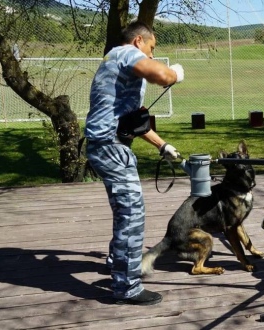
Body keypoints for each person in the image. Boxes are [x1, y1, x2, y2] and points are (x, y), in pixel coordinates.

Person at [84, 21, 184, 306]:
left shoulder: (115, 62)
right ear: (139, 40)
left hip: (105, 146)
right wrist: (174, 73)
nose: (151, 56)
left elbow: (132, 123)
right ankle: (127, 286)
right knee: (132, 215)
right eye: (151, 49)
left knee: (123, 211)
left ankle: (117, 262)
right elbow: (162, 76)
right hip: (111, 148)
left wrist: (163, 145)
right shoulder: (126, 54)